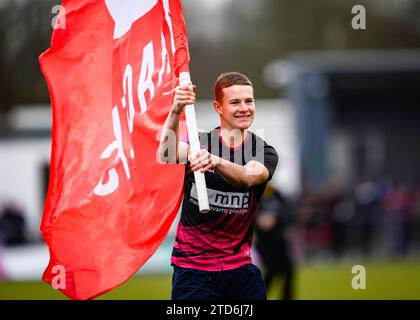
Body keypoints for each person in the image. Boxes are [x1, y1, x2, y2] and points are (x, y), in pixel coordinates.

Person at [159, 72, 279, 300]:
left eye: (248, 101)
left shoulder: (263, 151)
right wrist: (176, 110)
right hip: (193, 270)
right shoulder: (198, 142)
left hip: (240, 270)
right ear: (219, 107)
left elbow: (248, 177)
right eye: (235, 102)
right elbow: (166, 153)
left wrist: (215, 161)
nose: (244, 108)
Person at [254, 183, 295, 300]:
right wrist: (259, 220)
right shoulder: (256, 192)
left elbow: (287, 212)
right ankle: (260, 295)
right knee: (271, 270)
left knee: (289, 270)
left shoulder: (276, 193)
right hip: (263, 242)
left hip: (279, 239)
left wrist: (275, 218)